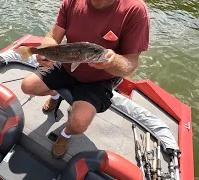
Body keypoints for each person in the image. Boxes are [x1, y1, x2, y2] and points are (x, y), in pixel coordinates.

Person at [21, 0, 150, 158]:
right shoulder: (71, 2)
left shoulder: (135, 10)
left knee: (78, 123)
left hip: (99, 79)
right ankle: (56, 93)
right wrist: (46, 50)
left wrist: (112, 62)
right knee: (28, 86)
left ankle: (65, 135)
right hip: (66, 65)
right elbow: (54, 36)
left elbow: (131, 63)